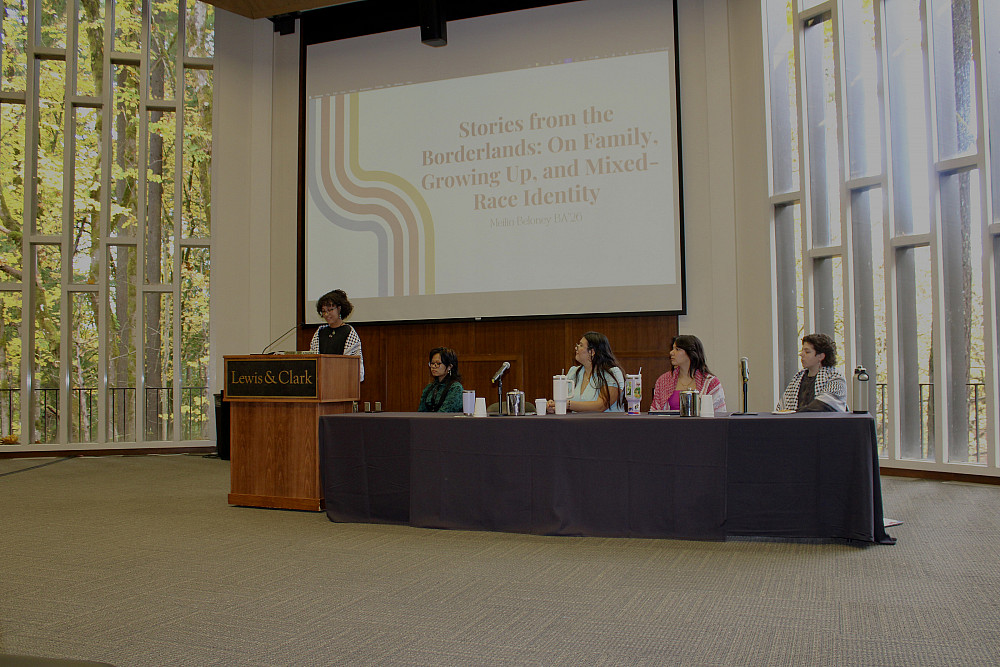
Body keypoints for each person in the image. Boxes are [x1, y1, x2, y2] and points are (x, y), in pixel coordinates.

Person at [548, 332, 625, 413]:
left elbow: (601, 406)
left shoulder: (612, 373)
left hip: (606, 424)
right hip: (576, 424)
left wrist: (568, 404)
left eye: (581, 345)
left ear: (592, 352)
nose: (576, 348)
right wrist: (552, 405)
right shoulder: (573, 372)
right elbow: (561, 400)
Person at [650, 334, 726, 412]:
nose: (671, 353)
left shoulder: (710, 383)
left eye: (677, 349)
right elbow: (655, 413)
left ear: (691, 353)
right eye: (672, 349)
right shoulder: (663, 381)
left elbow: (719, 415)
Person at [776, 333, 847, 412]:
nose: (801, 354)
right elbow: (783, 408)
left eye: (807, 352)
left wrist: (796, 414)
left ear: (821, 356)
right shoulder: (797, 378)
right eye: (802, 351)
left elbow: (825, 405)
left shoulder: (835, 378)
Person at [309, 289, 364, 381]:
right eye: (323, 311)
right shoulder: (320, 331)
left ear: (339, 309)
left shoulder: (349, 331)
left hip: (341, 381)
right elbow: (312, 359)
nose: (326, 314)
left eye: (330, 310)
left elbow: (357, 370)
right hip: (322, 382)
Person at [417, 347, 464, 412]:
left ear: (449, 366)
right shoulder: (429, 387)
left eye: (438, 363)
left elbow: (445, 413)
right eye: (432, 363)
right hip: (428, 421)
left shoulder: (456, 388)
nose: (433, 366)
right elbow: (420, 412)